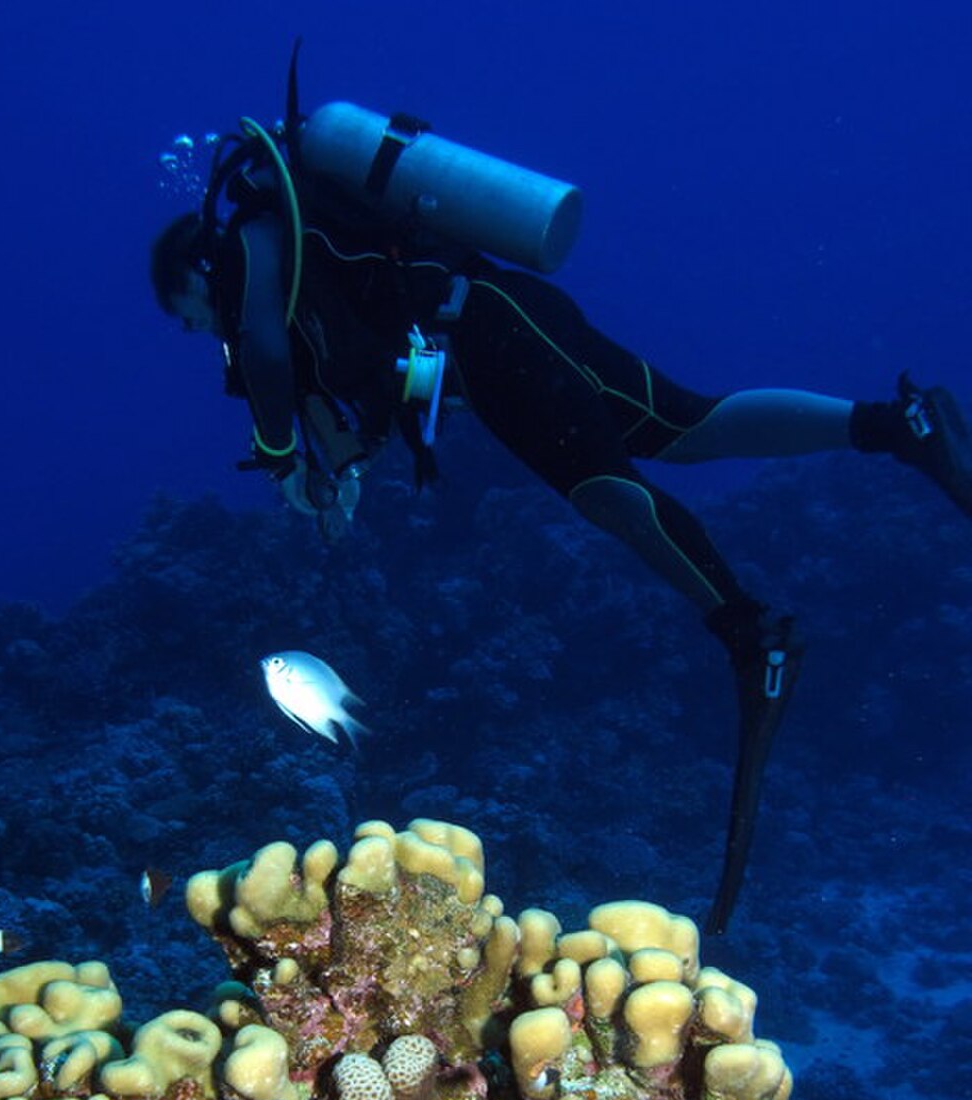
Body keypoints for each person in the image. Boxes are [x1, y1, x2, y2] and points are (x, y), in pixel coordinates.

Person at [149, 93, 972, 933]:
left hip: (494, 340)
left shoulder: (246, 247)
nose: (201, 332)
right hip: (497, 323)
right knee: (685, 427)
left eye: (190, 316)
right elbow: (351, 366)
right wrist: (342, 470)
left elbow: (262, 351)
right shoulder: (300, 264)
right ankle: (893, 425)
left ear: (195, 271)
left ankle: (748, 630)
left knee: (603, 489)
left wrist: (281, 452)